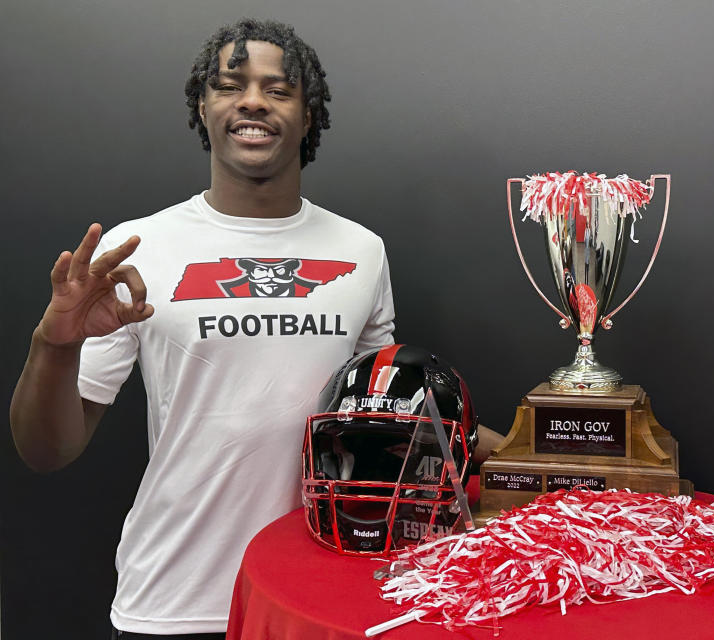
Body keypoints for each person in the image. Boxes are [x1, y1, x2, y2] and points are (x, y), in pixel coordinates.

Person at [9, 18, 501, 640]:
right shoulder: (140, 248)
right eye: (230, 84)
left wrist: (537, 455)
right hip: (176, 597)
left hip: (321, 591)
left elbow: (398, 406)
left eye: (278, 88)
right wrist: (54, 345)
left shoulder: (361, 250)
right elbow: (46, 450)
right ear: (203, 105)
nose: (252, 101)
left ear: (309, 113)